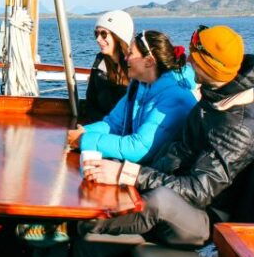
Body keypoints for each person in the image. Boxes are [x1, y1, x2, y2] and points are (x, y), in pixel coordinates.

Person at [74, 25, 254, 257]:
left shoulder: (238, 125)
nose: (187, 60)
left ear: (211, 68)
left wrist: (128, 174)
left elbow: (199, 191)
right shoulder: (215, 97)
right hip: (185, 204)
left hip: (209, 222)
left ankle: (85, 223)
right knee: (90, 244)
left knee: (156, 202)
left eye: (195, 58)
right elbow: (176, 152)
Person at [67, 30, 197, 164]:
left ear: (149, 61)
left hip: (163, 177)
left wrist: (84, 140)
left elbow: (139, 149)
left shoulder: (175, 97)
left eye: (131, 54)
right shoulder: (139, 86)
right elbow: (114, 123)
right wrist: (83, 132)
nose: (125, 58)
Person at [83, 10, 133, 123]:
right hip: (102, 125)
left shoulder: (134, 66)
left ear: (118, 36)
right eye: (96, 34)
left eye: (103, 34)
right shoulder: (99, 63)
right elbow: (91, 102)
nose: (98, 39)